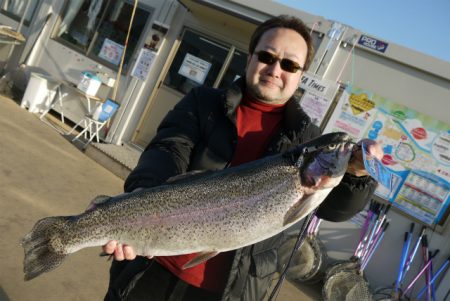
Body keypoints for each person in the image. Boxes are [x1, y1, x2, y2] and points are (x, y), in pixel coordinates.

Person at [102, 15, 383, 301]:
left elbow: (334, 210)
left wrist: (357, 174)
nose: (275, 69)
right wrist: (138, 201)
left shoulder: (307, 140)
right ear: (250, 58)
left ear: (301, 76)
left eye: (289, 64)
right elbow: (168, 150)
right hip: (151, 268)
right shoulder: (204, 102)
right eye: (266, 56)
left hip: (231, 291)